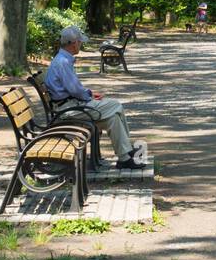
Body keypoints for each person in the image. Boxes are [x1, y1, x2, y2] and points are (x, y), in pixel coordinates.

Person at [45, 27, 144, 168]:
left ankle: (124, 158)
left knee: (113, 119)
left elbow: (73, 88)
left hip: (70, 105)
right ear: (74, 43)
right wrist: (89, 96)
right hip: (68, 110)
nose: (81, 45)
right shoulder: (63, 63)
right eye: (80, 42)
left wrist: (89, 94)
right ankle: (128, 149)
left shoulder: (62, 59)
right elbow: (75, 90)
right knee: (115, 105)